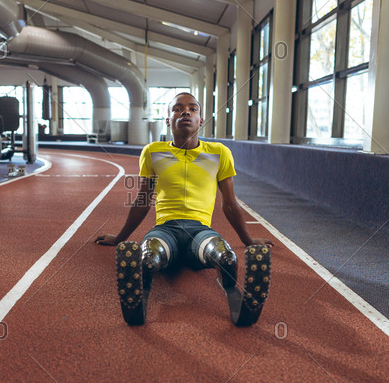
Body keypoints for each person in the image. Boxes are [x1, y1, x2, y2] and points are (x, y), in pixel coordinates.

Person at [95, 92, 273, 326]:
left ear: (201, 120)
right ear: (168, 120)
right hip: (164, 231)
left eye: (193, 108)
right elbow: (142, 200)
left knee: (226, 256)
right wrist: (120, 238)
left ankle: (236, 294)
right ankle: (138, 297)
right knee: (148, 256)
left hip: (200, 233)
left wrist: (249, 241)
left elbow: (230, 204)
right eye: (177, 108)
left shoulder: (219, 153)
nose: (186, 112)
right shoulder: (152, 151)